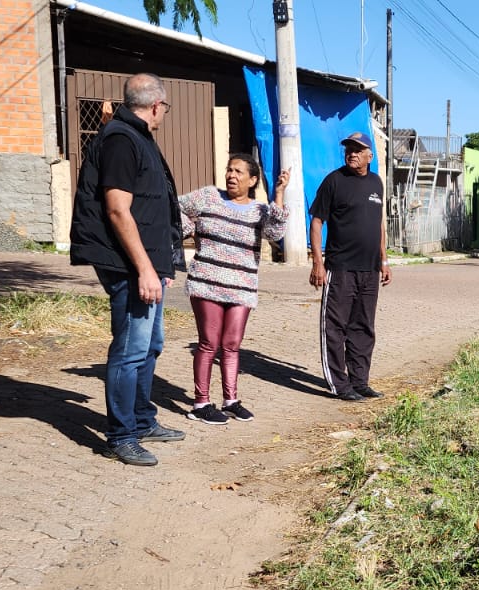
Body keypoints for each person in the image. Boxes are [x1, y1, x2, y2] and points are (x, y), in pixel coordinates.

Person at [69, 73, 184, 467]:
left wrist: (162, 264)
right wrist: (145, 269)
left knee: (149, 346)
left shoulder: (134, 136)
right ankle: (121, 436)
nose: (164, 114)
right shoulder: (121, 139)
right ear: (156, 105)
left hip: (148, 262)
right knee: (130, 350)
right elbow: (118, 210)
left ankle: (141, 420)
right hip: (129, 265)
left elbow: (148, 205)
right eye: (165, 108)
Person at [178, 156, 291, 425]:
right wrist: (190, 228)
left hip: (242, 287)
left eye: (238, 172)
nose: (231, 175)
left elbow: (275, 234)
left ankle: (230, 401)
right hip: (207, 283)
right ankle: (201, 403)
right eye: (229, 170)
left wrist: (278, 194)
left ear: (252, 180)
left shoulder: (259, 210)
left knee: (231, 345)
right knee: (209, 343)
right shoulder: (208, 197)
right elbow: (174, 208)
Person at [309, 131, 389, 401]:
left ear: (370, 156)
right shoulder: (334, 181)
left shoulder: (376, 183)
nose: (352, 154)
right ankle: (339, 385)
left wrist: (384, 260)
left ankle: (359, 381)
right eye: (348, 149)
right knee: (335, 327)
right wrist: (318, 262)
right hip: (340, 267)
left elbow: (379, 224)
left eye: (357, 150)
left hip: (370, 269)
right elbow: (317, 221)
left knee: (363, 327)